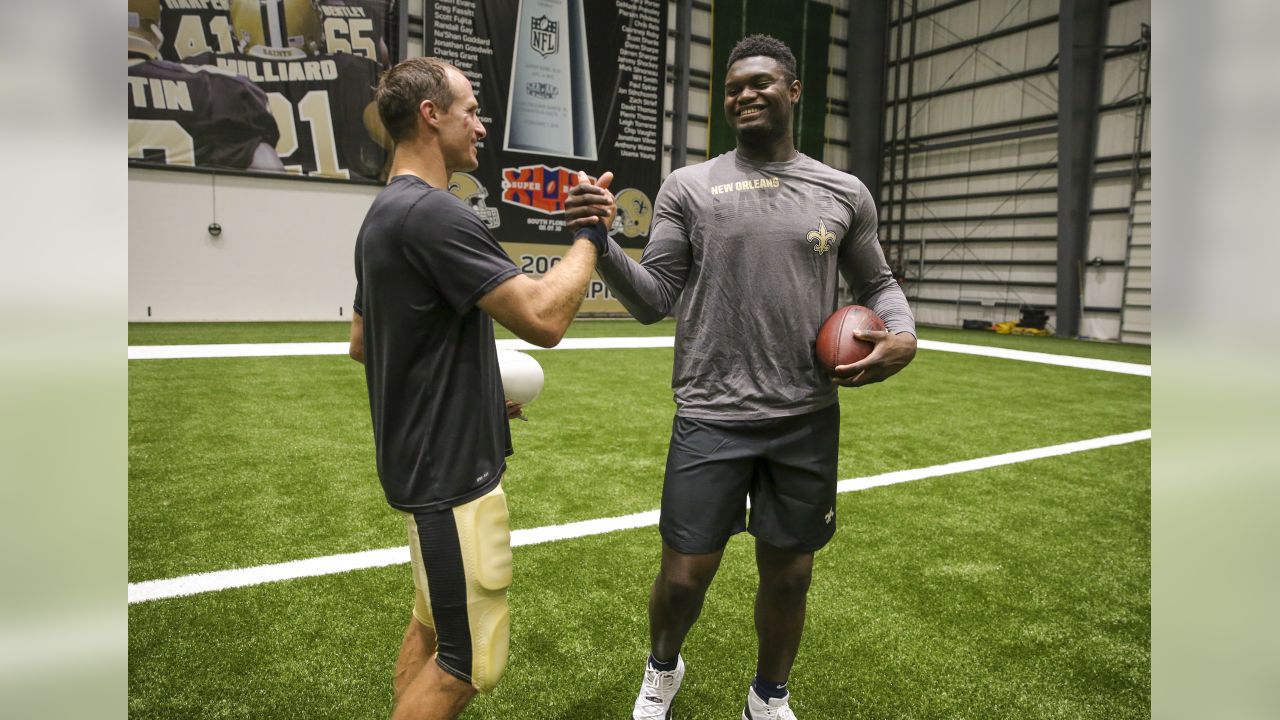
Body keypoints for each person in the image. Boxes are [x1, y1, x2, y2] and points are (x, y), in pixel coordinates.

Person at [567, 34, 917, 720]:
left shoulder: (843, 190)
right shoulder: (689, 188)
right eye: (733, 88)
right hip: (711, 412)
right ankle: (662, 669)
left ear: (793, 91)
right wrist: (601, 244)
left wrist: (903, 336)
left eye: (760, 82)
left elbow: (878, 282)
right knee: (683, 576)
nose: (745, 94)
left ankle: (768, 696)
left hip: (804, 419)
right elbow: (651, 300)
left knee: (790, 576)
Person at [348, 56, 614, 720]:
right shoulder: (434, 215)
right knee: (469, 664)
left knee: (434, 627)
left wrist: (472, 393)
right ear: (431, 116)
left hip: (422, 465)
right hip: (450, 479)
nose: (481, 126)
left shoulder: (383, 214)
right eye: (470, 110)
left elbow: (365, 343)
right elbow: (544, 317)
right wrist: (590, 238)